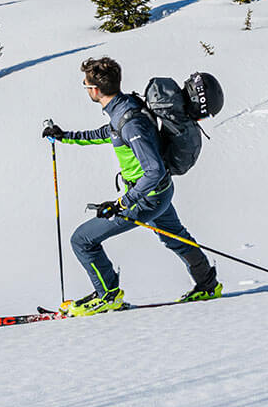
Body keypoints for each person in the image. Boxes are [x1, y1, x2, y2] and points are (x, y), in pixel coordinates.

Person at [42, 56, 220, 315]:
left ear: (95, 89)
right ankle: (208, 285)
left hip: (147, 197)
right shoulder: (124, 107)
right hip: (159, 192)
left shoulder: (130, 121)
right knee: (176, 238)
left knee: (82, 240)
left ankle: (108, 296)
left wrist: (121, 204)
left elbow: (154, 169)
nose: (85, 87)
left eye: (85, 84)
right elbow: (109, 132)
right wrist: (65, 136)